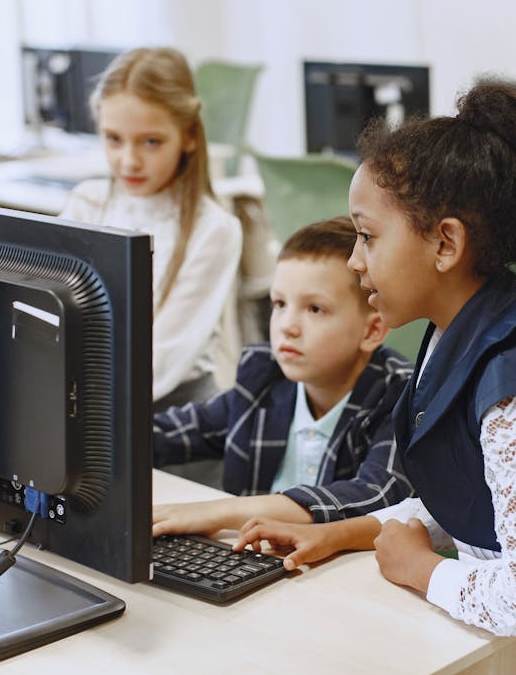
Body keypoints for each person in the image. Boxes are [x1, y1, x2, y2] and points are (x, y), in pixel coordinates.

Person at [234, 80, 516, 675]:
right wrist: (346, 533)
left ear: (445, 243)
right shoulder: (453, 333)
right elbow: (476, 499)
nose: (354, 259)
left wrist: (419, 568)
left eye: (367, 236)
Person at [151, 217, 414, 536]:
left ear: (372, 329)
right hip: (258, 564)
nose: (287, 325)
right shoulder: (264, 380)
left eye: (315, 309)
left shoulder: (400, 396)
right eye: (279, 303)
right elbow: (166, 434)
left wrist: (220, 512)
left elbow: (376, 495)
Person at [61, 46, 242, 411]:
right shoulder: (86, 204)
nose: (129, 160)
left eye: (151, 142)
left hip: (176, 420)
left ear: (188, 137)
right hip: (95, 403)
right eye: (113, 139)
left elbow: (159, 363)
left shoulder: (214, 230)